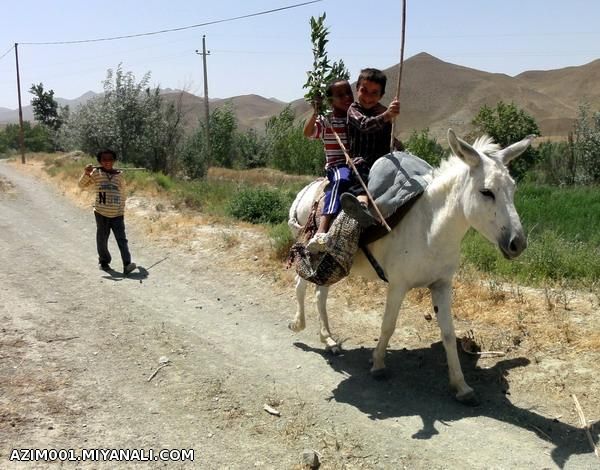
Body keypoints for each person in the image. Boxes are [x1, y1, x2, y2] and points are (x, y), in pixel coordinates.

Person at [342, 68, 401, 226]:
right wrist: (387, 115)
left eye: (375, 93)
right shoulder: (353, 110)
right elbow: (365, 125)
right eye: (364, 90)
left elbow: (389, 136)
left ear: (381, 95)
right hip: (363, 162)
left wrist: (399, 146)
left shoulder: (382, 111)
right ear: (357, 89)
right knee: (358, 170)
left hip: (383, 161)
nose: (368, 96)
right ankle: (361, 205)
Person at [303, 78, 354, 252]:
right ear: (330, 101)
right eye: (341, 95)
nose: (347, 97)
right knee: (341, 179)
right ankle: (322, 229)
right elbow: (308, 133)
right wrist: (316, 112)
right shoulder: (326, 121)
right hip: (337, 166)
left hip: (356, 164)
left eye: (349, 92)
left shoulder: (354, 118)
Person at [78, 149, 137, 275]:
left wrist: (121, 209)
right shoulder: (96, 173)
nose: (107, 162)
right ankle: (104, 262)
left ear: (114, 161)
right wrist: (86, 173)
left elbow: (122, 193)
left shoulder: (119, 175)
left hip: (117, 214)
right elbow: (81, 185)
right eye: (104, 159)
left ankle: (127, 264)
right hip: (101, 213)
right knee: (102, 238)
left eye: (110, 159)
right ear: (99, 161)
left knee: (122, 239)